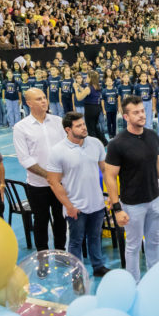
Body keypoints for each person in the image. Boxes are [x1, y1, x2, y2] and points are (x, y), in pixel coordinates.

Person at [104, 95, 159, 280]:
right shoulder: (117, 144)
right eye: (136, 113)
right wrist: (117, 208)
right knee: (134, 246)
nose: (142, 115)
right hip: (133, 205)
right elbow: (110, 177)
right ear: (126, 116)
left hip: (154, 199)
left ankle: (154, 279)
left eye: (143, 111)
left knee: (153, 242)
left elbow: (158, 164)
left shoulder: (152, 136)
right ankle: (133, 282)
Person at [46, 111, 111, 279]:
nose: (84, 128)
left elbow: (105, 169)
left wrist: (110, 195)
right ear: (68, 129)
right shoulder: (57, 151)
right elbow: (53, 182)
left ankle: (98, 266)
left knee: (95, 237)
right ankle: (76, 272)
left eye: (83, 124)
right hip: (75, 206)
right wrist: (68, 206)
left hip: (96, 203)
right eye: (79, 126)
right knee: (75, 241)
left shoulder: (95, 143)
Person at [13, 88, 68, 250]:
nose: (44, 101)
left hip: (60, 183)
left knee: (60, 219)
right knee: (41, 221)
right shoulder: (21, 127)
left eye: (44, 97)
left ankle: (60, 252)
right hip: (38, 186)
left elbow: (67, 148)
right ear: (28, 103)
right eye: (38, 99)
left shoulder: (58, 121)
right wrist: (49, 176)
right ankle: (42, 257)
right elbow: (25, 159)